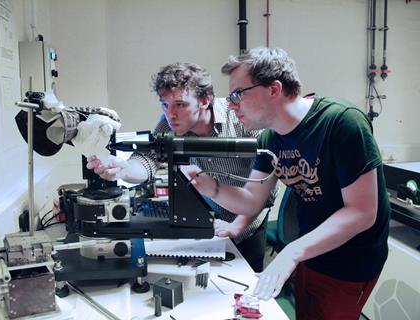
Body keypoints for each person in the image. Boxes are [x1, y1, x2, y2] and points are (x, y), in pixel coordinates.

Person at [187, 47, 390, 320]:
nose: (231, 104)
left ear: (274, 89)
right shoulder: (270, 140)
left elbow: (362, 213)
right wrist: (209, 186)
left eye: (237, 94)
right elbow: (252, 200)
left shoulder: (342, 122)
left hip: (350, 262)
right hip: (309, 250)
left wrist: (293, 252)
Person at [87, 62, 275, 272]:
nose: (171, 114)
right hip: (210, 218)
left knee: (246, 287)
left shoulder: (242, 119)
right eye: (164, 105)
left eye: (179, 104)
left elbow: (266, 186)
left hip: (246, 224)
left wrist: (238, 225)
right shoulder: (170, 124)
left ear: (205, 100)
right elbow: (149, 158)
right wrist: (125, 170)